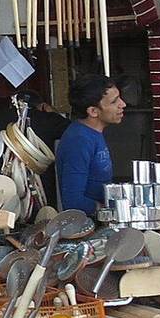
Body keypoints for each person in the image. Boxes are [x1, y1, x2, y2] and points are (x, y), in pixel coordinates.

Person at [56, 74, 123, 214]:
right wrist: (111, 211)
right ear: (93, 111)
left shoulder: (93, 133)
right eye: (114, 102)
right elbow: (73, 201)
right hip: (89, 222)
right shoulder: (79, 141)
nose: (122, 104)